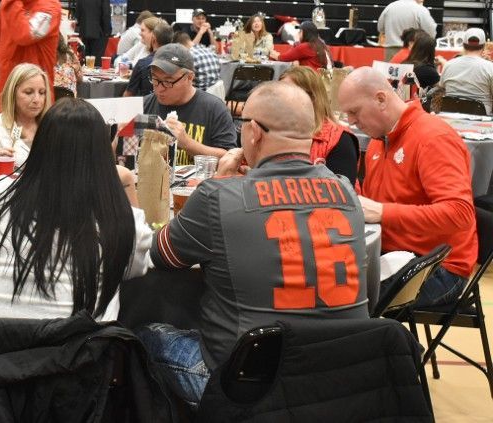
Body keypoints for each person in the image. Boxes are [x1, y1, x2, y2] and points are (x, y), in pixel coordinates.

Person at [139, 81, 368, 404]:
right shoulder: (345, 191)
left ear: (255, 132)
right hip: (335, 380)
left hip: (247, 387)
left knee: (143, 335)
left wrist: (218, 181)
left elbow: (160, 255)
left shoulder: (218, 197)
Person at [0, 98, 152, 320]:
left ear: (39, 145)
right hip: (79, 351)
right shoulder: (120, 220)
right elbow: (134, 267)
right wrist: (126, 182)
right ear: (101, 155)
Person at [339, 67, 477, 309]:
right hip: (393, 255)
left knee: (336, 298)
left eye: (354, 111)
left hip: (439, 268)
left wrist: (383, 212)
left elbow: (460, 213)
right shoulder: (378, 141)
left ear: (381, 99)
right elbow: (375, 203)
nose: (351, 121)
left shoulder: (433, 138)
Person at [143, 43, 237, 164]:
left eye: (168, 81)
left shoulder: (214, 108)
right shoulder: (144, 105)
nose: (159, 88)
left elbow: (229, 159)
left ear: (190, 77)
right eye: (155, 79)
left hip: (200, 182)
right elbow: (125, 158)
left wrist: (187, 143)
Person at [280, 66, 359, 187]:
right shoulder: (269, 130)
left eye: (288, 93)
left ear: (313, 98)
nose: (278, 100)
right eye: (277, 93)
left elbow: (343, 195)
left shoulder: (340, 140)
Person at [0, 0, 61, 113]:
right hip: (4, 101)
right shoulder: (10, 4)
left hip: (34, 106)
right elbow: (3, 41)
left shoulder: (50, 6)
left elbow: (24, 35)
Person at [0, 63, 51, 166]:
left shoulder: (53, 127)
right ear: (12, 93)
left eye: (42, 93)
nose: (37, 100)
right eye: (28, 92)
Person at [440, 28, 493, 115]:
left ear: (463, 45)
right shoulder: (490, 67)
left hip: (451, 115)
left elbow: (442, 88)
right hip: (482, 118)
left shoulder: (448, 65)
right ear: (484, 46)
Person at [123, 18, 172, 97]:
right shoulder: (179, 61)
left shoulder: (143, 63)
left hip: (147, 106)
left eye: (143, 30)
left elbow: (128, 96)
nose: (139, 33)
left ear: (153, 37)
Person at [75, 0, 111, 66]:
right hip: (99, 33)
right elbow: (106, 14)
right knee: (97, 63)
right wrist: (107, 32)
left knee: (87, 61)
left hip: (85, 32)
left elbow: (77, 13)